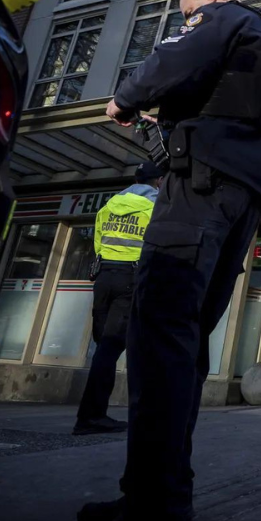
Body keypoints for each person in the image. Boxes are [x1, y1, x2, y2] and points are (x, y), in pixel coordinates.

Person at [62, 0, 261, 521]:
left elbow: (174, 58)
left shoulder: (226, 18)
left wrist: (126, 98)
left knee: (158, 340)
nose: (188, 17)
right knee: (185, 348)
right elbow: (226, 96)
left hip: (198, 189)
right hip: (242, 194)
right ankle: (158, 494)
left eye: (189, 8)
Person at [73, 163, 162, 436]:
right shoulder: (155, 208)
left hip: (104, 278)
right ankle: (91, 417)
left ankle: (93, 414)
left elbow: (98, 242)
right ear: (158, 181)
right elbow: (155, 247)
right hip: (130, 279)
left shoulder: (109, 206)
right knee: (111, 348)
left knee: (104, 348)